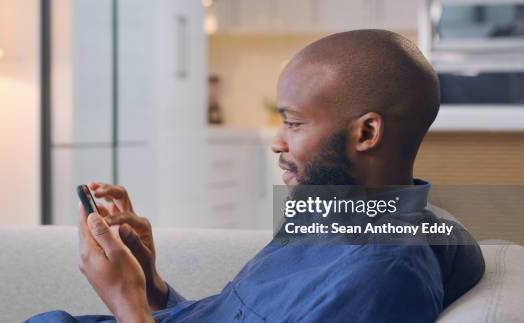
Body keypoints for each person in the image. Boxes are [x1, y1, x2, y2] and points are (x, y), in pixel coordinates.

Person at [27, 29, 484, 323]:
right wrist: (150, 284)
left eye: (294, 123)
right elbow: (229, 315)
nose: (277, 142)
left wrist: (125, 300)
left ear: (366, 132)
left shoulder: (383, 275)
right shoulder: (328, 216)